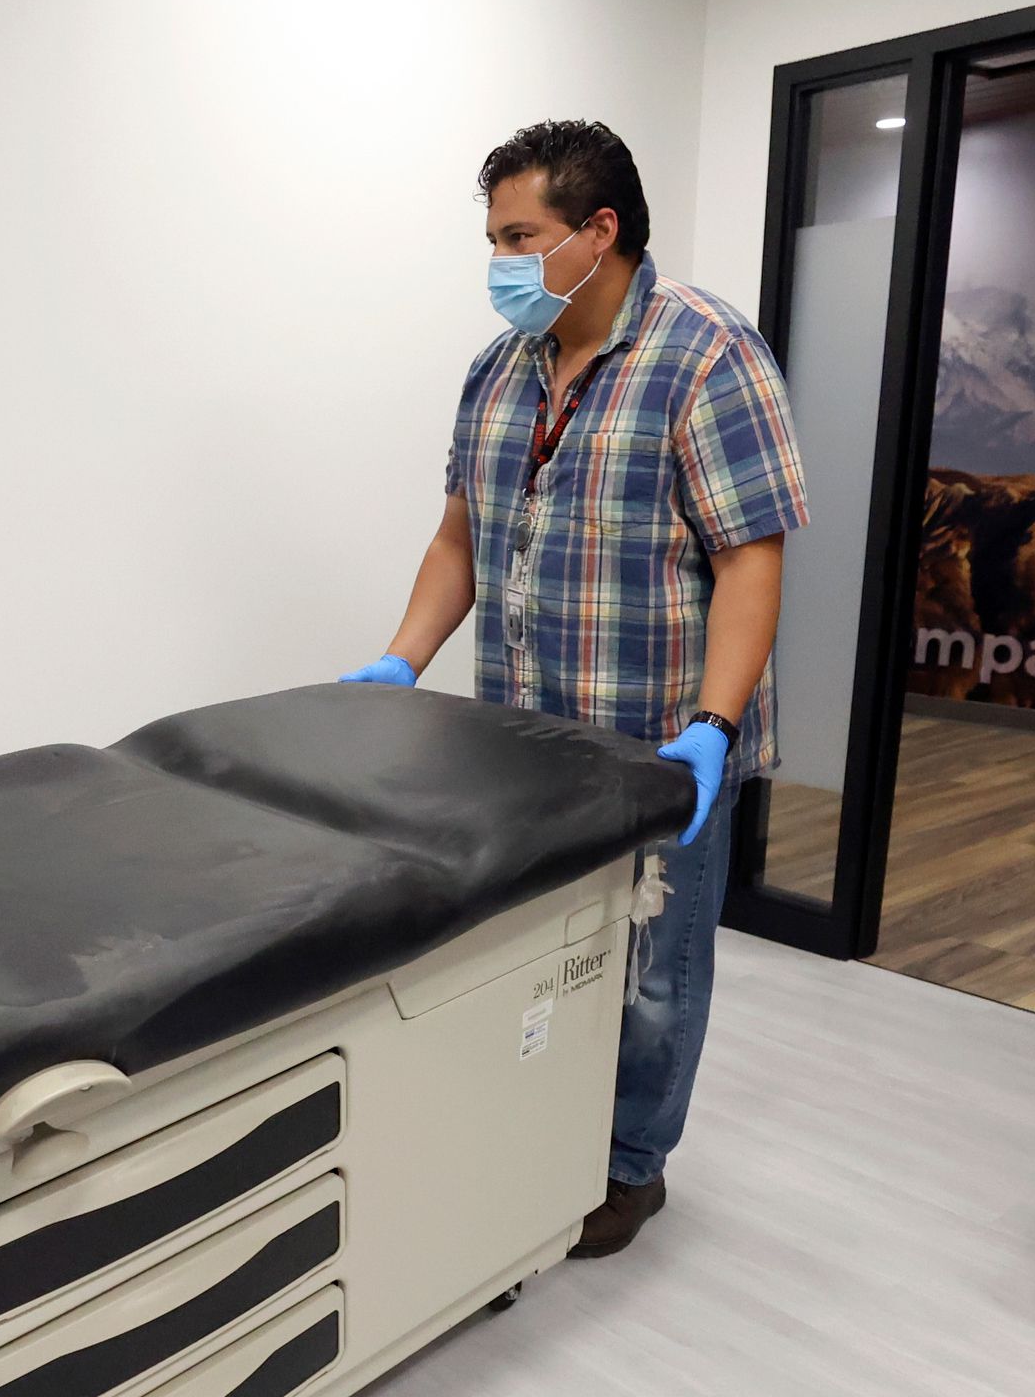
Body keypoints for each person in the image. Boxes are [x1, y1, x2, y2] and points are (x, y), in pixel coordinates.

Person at [343, 121, 807, 1259]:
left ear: (599, 232)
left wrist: (711, 726)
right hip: (524, 744)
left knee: (655, 967)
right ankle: (534, 1127)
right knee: (545, 952)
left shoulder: (707, 355)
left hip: (659, 755)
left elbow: (752, 555)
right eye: (492, 237)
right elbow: (461, 538)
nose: (498, 262)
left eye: (519, 237)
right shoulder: (499, 370)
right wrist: (402, 657)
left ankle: (627, 1165)